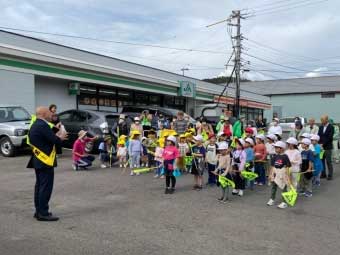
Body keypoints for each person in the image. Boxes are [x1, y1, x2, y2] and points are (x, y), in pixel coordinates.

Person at [27, 106, 68, 221]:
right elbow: (54, 140)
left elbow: (43, 136)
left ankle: (38, 211)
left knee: (39, 186)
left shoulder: (35, 124)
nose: (51, 114)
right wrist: (61, 138)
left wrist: (55, 130)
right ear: (44, 114)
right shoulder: (43, 125)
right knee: (45, 187)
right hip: (45, 161)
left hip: (38, 160)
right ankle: (43, 213)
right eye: (49, 112)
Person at [267, 141, 291, 209]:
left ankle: (284, 202)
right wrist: (270, 174)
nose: (275, 149)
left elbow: (287, 167)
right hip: (275, 173)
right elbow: (272, 166)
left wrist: (288, 177)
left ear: (282, 148)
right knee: (273, 187)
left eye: (277, 148)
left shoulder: (285, 156)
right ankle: (272, 199)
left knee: (283, 187)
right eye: (275, 148)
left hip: (282, 173)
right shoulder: (274, 156)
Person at [318, 115, 334, 180]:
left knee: (328, 161)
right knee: (322, 161)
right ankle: (323, 173)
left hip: (327, 147)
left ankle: (330, 175)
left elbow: (330, 137)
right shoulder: (321, 127)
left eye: (323, 120)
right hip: (321, 147)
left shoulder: (331, 127)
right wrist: (319, 144)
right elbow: (319, 136)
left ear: (327, 120)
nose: (321, 121)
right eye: (321, 120)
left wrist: (323, 144)